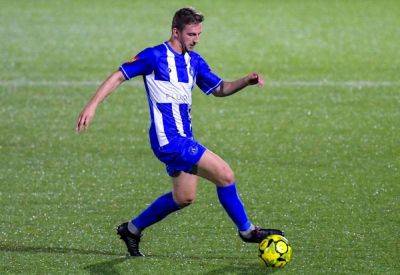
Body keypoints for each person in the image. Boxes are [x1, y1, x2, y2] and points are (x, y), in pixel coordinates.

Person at [76, 7, 284, 257]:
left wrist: (245, 81)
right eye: (191, 34)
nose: (196, 39)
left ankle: (131, 229)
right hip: (169, 141)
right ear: (176, 31)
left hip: (184, 138)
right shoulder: (153, 56)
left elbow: (220, 89)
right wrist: (92, 104)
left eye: (199, 34)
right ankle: (247, 231)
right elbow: (118, 76)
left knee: (184, 197)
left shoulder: (194, 61)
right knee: (225, 175)